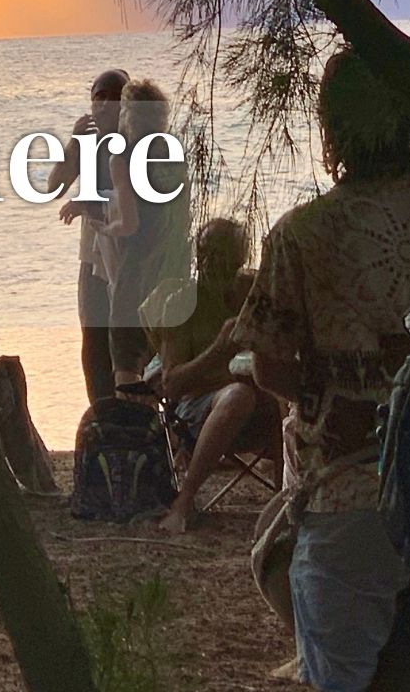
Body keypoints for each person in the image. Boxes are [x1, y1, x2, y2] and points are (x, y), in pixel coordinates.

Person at [233, 49, 410, 692]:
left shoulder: (301, 233)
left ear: (331, 127)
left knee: (337, 675)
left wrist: (337, 392)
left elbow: (268, 365)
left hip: (352, 488)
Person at [143, 217, 280, 534]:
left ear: (240, 258)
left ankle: (288, 500)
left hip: (261, 405)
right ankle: (185, 499)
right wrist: (219, 351)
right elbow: (172, 383)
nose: (212, 263)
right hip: (197, 408)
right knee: (238, 395)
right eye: (205, 253)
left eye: (223, 254)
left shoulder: (253, 293)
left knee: (283, 392)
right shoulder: (181, 302)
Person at [100, 79, 191, 389]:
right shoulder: (173, 154)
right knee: (167, 363)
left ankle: (133, 431)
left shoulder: (122, 159)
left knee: (127, 363)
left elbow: (129, 224)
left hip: (136, 273)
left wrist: (104, 227)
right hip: (173, 269)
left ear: (129, 115)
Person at [50, 68, 130, 404]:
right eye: (99, 97)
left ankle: (131, 412)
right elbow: (54, 184)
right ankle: (100, 412)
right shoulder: (89, 142)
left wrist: (89, 202)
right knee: (92, 338)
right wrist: (73, 143)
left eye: (115, 96)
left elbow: (136, 199)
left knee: (126, 340)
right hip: (93, 252)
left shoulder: (138, 141)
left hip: (128, 254)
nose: (106, 104)